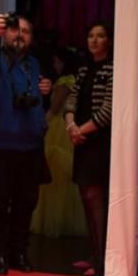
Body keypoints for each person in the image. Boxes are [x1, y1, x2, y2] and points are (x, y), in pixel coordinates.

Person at [0, 12, 52, 275]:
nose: (20, 35)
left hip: (29, 146)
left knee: (26, 203)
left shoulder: (33, 65)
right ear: (4, 33)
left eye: (26, 32)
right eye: (15, 29)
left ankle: (19, 251)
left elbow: (36, 102)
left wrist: (45, 92)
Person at [64, 22, 114, 276]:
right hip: (82, 139)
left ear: (109, 40)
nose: (94, 40)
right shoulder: (84, 69)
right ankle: (95, 253)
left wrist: (80, 130)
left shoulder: (113, 69)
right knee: (86, 196)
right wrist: (71, 125)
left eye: (100, 36)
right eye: (90, 35)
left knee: (96, 199)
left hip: (98, 141)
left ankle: (103, 262)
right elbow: (71, 99)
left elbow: (107, 111)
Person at [30, 47, 87, 238]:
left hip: (58, 129)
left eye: (56, 61)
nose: (54, 65)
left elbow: (54, 110)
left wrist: (39, 125)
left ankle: (54, 221)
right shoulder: (76, 82)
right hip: (67, 128)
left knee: (55, 175)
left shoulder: (63, 83)